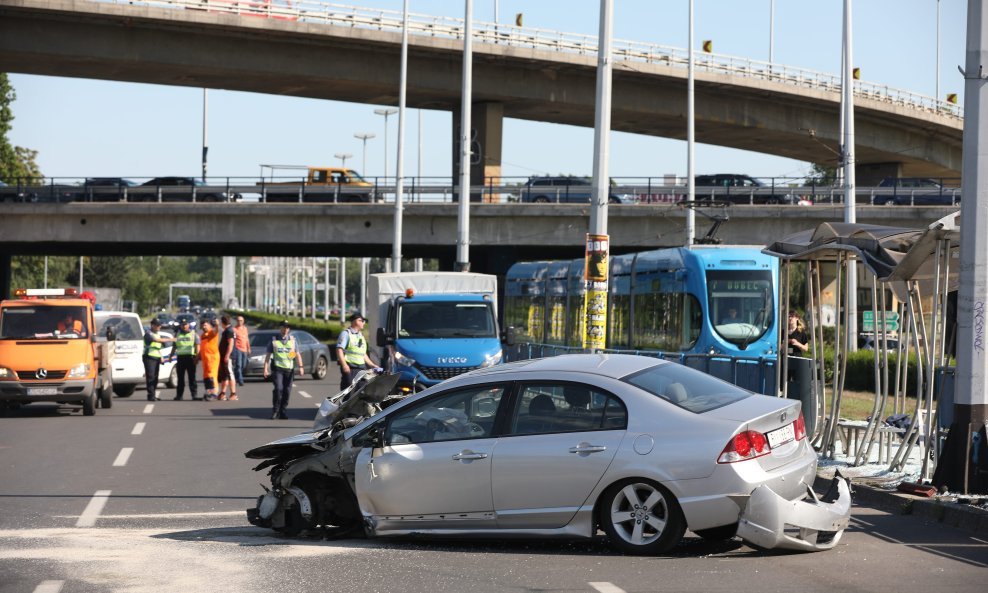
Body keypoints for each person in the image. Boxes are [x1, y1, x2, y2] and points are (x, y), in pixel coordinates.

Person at [263, 320, 304, 420]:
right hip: (277, 369)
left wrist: (301, 367)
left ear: (289, 329)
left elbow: (297, 354)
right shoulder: (274, 340)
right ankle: (275, 410)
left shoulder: (293, 341)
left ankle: (283, 411)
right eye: (283, 327)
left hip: (289, 370)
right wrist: (265, 369)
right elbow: (268, 355)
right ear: (280, 328)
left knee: (287, 391)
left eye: (287, 328)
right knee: (278, 389)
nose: (285, 329)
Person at [336, 311, 378, 390]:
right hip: (350, 367)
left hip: (361, 368)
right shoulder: (346, 334)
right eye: (362, 321)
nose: (363, 323)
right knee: (348, 391)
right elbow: (339, 350)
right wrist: (344, 365)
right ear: (355, 321)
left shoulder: (360, 335)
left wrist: (372, 365)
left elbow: (363, 354)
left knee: (361, 390)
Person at [143, 318, 175, 402]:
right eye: (157, 325)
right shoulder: (148, 334)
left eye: (159, 325)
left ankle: (153, 395)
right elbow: (157, 340)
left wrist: (161, 357)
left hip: (156, 357)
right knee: (151, 377)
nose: (159, 327)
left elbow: (158, 347)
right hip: (149, 357)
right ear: (152, 325)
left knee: (156, 377)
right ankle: (151, 395)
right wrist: (171, 339)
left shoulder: (157, 333)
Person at [172, 318, 200, 401]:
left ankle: (194, 395)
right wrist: (171, 356)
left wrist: (197, 357)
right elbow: (174, 346)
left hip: (191, 358)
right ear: (180, 325)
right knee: (180, 379)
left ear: (189, 325)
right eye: (183, 324)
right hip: (180, 358)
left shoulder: (194, 334)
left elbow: (197, 346)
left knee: (192, 378)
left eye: (186, 324)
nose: (184, 326)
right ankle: (179, 396)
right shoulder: (177, 334)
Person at [199, 319, 220, 401]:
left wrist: (217, 325)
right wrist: (198, 357)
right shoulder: (202, 335)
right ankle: (208, 391)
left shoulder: (212, 332)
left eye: (206, 325)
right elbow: (202, 347)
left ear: (210, 326)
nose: (204, 327)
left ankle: (214, 393)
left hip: (213, 358)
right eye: (203, 325)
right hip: (205, 359)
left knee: (212, 375)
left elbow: (216, 331)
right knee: (206, 376)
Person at [217, 315, 237, 401]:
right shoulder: (227, 330)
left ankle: (233, 394)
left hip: (227, 357)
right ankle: (223, 393)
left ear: (223, 322)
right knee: (224, 376)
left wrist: (227, 355)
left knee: (230, 374)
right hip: (223, 356)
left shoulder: (229, 331)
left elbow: (231, 343)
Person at [232, 315, 250, 388]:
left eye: (241, 320)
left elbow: (247, 339)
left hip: (244, 349)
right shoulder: (234, 329)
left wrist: (249, 348)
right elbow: (232, 340)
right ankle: (240, 380)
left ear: (243, 321)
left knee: (243, 365)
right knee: (239, 365)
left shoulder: (245, 329)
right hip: (237, 349)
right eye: (238, 320)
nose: (240, 322)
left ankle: (236, 377)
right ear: (236, 321)